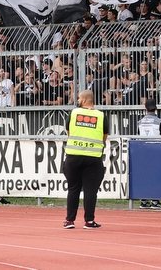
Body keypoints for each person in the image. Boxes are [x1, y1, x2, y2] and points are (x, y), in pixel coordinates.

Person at [63, 89, 108, 229]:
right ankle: (89, 221)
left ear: (83, 100)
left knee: (73, 189)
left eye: (78, 98)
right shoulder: (101, 115)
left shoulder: (74, 112)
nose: (77, 101)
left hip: (73, 156)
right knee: (90, 190)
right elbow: (104, 135)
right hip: (93, 157)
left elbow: (68, 131)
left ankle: (69, 221)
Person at [136, 98, 161, 210]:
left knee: (145, 176)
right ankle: (155, 200)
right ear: (156, 109)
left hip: (144, 150)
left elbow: (138, 136)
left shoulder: (140, 122)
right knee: (156, 176)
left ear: (145, 109)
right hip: (156, 150)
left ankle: (144, 200)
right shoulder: (159, 121)